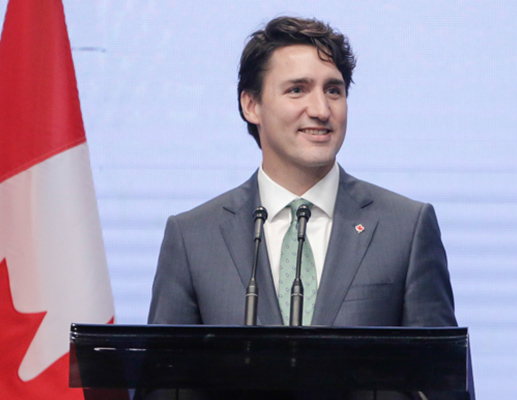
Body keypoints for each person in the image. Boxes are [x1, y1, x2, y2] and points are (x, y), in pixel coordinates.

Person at [144, 16, 465, 400]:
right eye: (297, 90)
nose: (321, 110)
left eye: (333, 90)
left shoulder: (406, 227)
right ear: (251, 105)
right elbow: (162, 390)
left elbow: (440, 386)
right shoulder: (193, 236)